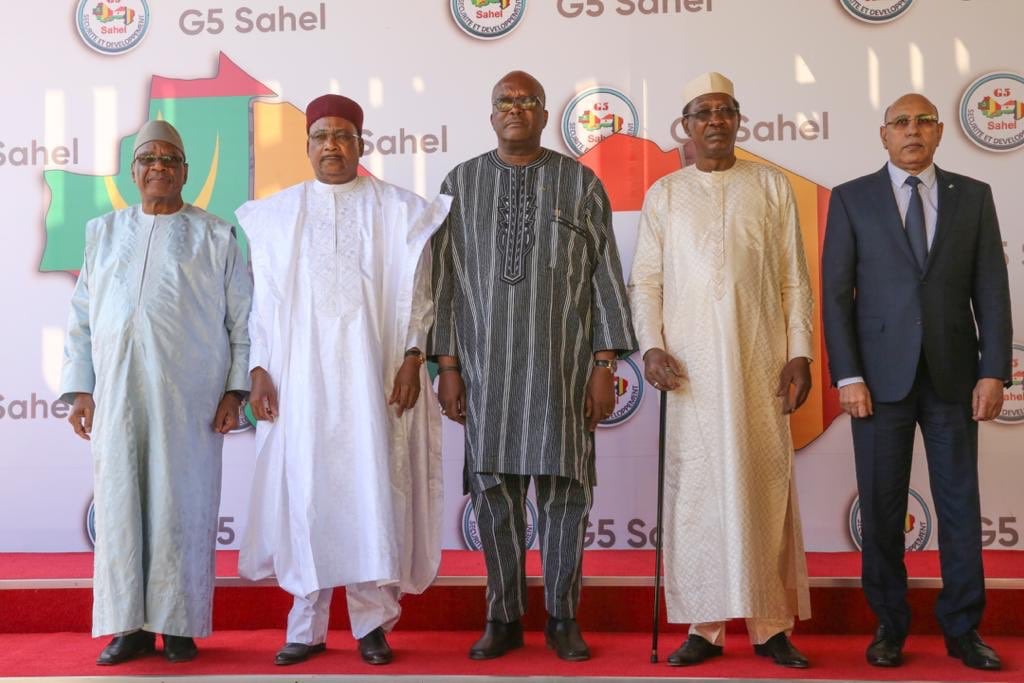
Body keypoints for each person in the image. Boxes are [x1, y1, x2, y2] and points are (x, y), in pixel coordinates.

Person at [430, 70, 636, 662]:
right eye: (504, 101)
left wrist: (605, 362)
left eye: (527, 101)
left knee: (565, 496)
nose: (514, 109)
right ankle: (502, 616)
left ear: (546, 115)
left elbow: (605, 278)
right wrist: (447, 365)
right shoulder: (460, 184)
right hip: (487, 372)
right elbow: (443, 283)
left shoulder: (579, 183)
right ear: (490, 114)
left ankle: (564, 617)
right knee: (495, 498)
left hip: (563, 369)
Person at [237, 94, 450, 666]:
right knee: (306, 491)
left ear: (362, 143)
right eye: (321, 136)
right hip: (300, 380)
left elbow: (420, 299)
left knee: (369, 488)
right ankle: (304, 626)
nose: (332, 146)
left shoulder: (399, 212)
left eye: (343, 135)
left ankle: (371, 624)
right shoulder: (277, 216)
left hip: (372, 378)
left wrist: (412, 357)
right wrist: (258, 368)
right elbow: (264, 304)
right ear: (306, 145)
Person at [628, 72, 814, 669]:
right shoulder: (666, 194)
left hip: (759, 365)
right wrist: (650, 347)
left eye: (725, 111)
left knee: (764, 487)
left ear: (738, 121)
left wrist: (800, 352)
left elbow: (793, 278)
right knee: (698, 497)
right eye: (703, 112)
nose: (715, 121)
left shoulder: (771, 186)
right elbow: (647, 281)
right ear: (685, 125)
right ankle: (703, 628)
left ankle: (771, 626)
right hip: (691, 375)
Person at [822, 93, 1012, 671]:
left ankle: (963, 628)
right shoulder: (852, 199)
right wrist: (848, 374)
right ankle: (889, 624)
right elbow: (834, 297)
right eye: (901, 123)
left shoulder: (973, 197)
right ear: (884, 135)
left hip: (955, 376)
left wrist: (994, 370)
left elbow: (993, 293)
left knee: (959, 504)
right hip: (877, 383)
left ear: (938, 133)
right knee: (881, 507)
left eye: (924, 122)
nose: (913, 131)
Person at [60, 120, 252, 665]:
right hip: (117, 395)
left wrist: (235, 391)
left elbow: (243, 320)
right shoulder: (103, 232)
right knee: (120, 504)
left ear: (186, 172)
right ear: (134, 171)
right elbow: (80, 319)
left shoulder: (215, 235)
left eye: (170, 159)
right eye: (148, 158)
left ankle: (179, 625)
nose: (159, 167)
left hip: (189, 401)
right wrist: (80, 389)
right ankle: (128, 626)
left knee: (181, 506)